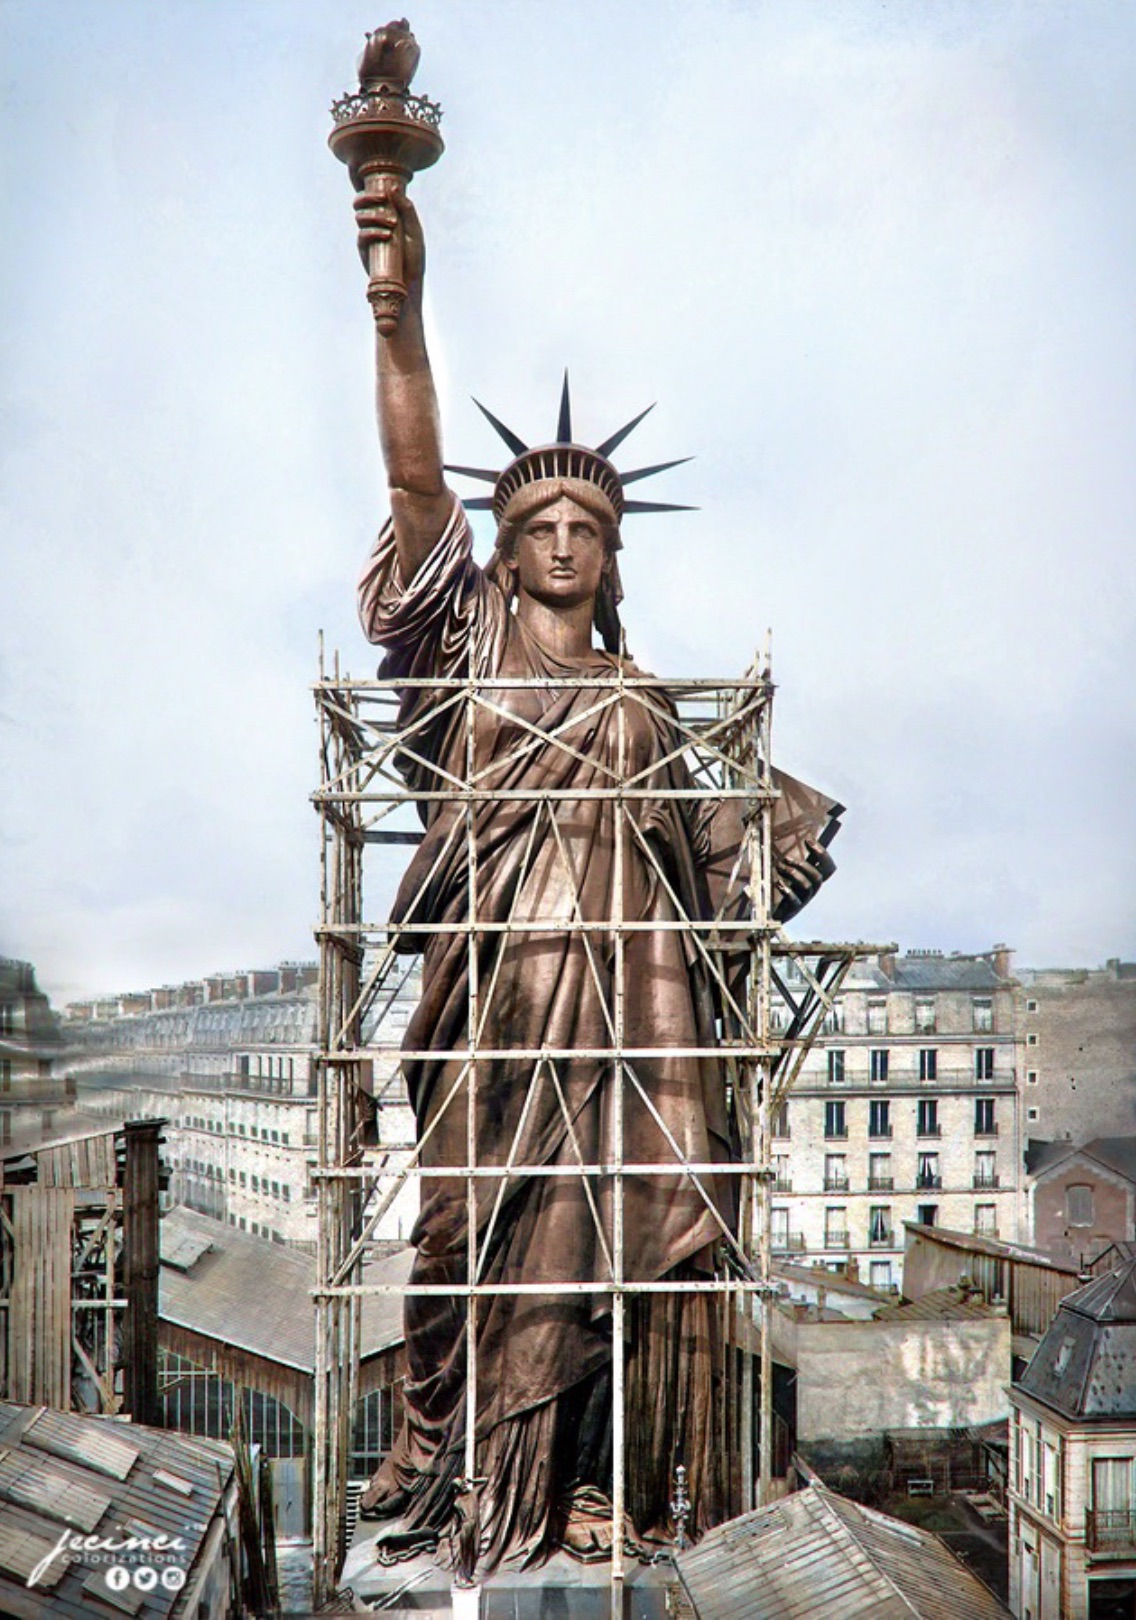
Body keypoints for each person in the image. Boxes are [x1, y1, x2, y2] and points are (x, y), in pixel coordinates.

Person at [351, 183, 838, 1576]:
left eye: (590, 526)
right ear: (501, 553)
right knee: (465, 1237)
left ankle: (564, 1492)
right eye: (540, 523)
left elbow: (717, 860)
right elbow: (410, 476)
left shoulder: (640, 698)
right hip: (494, 1006)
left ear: (613, 557)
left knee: (593, 1258)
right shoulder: (475, 647)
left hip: (629, 1020)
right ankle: (459, 1471)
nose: (564, 540)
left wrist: (771, 855)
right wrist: (398, 296)